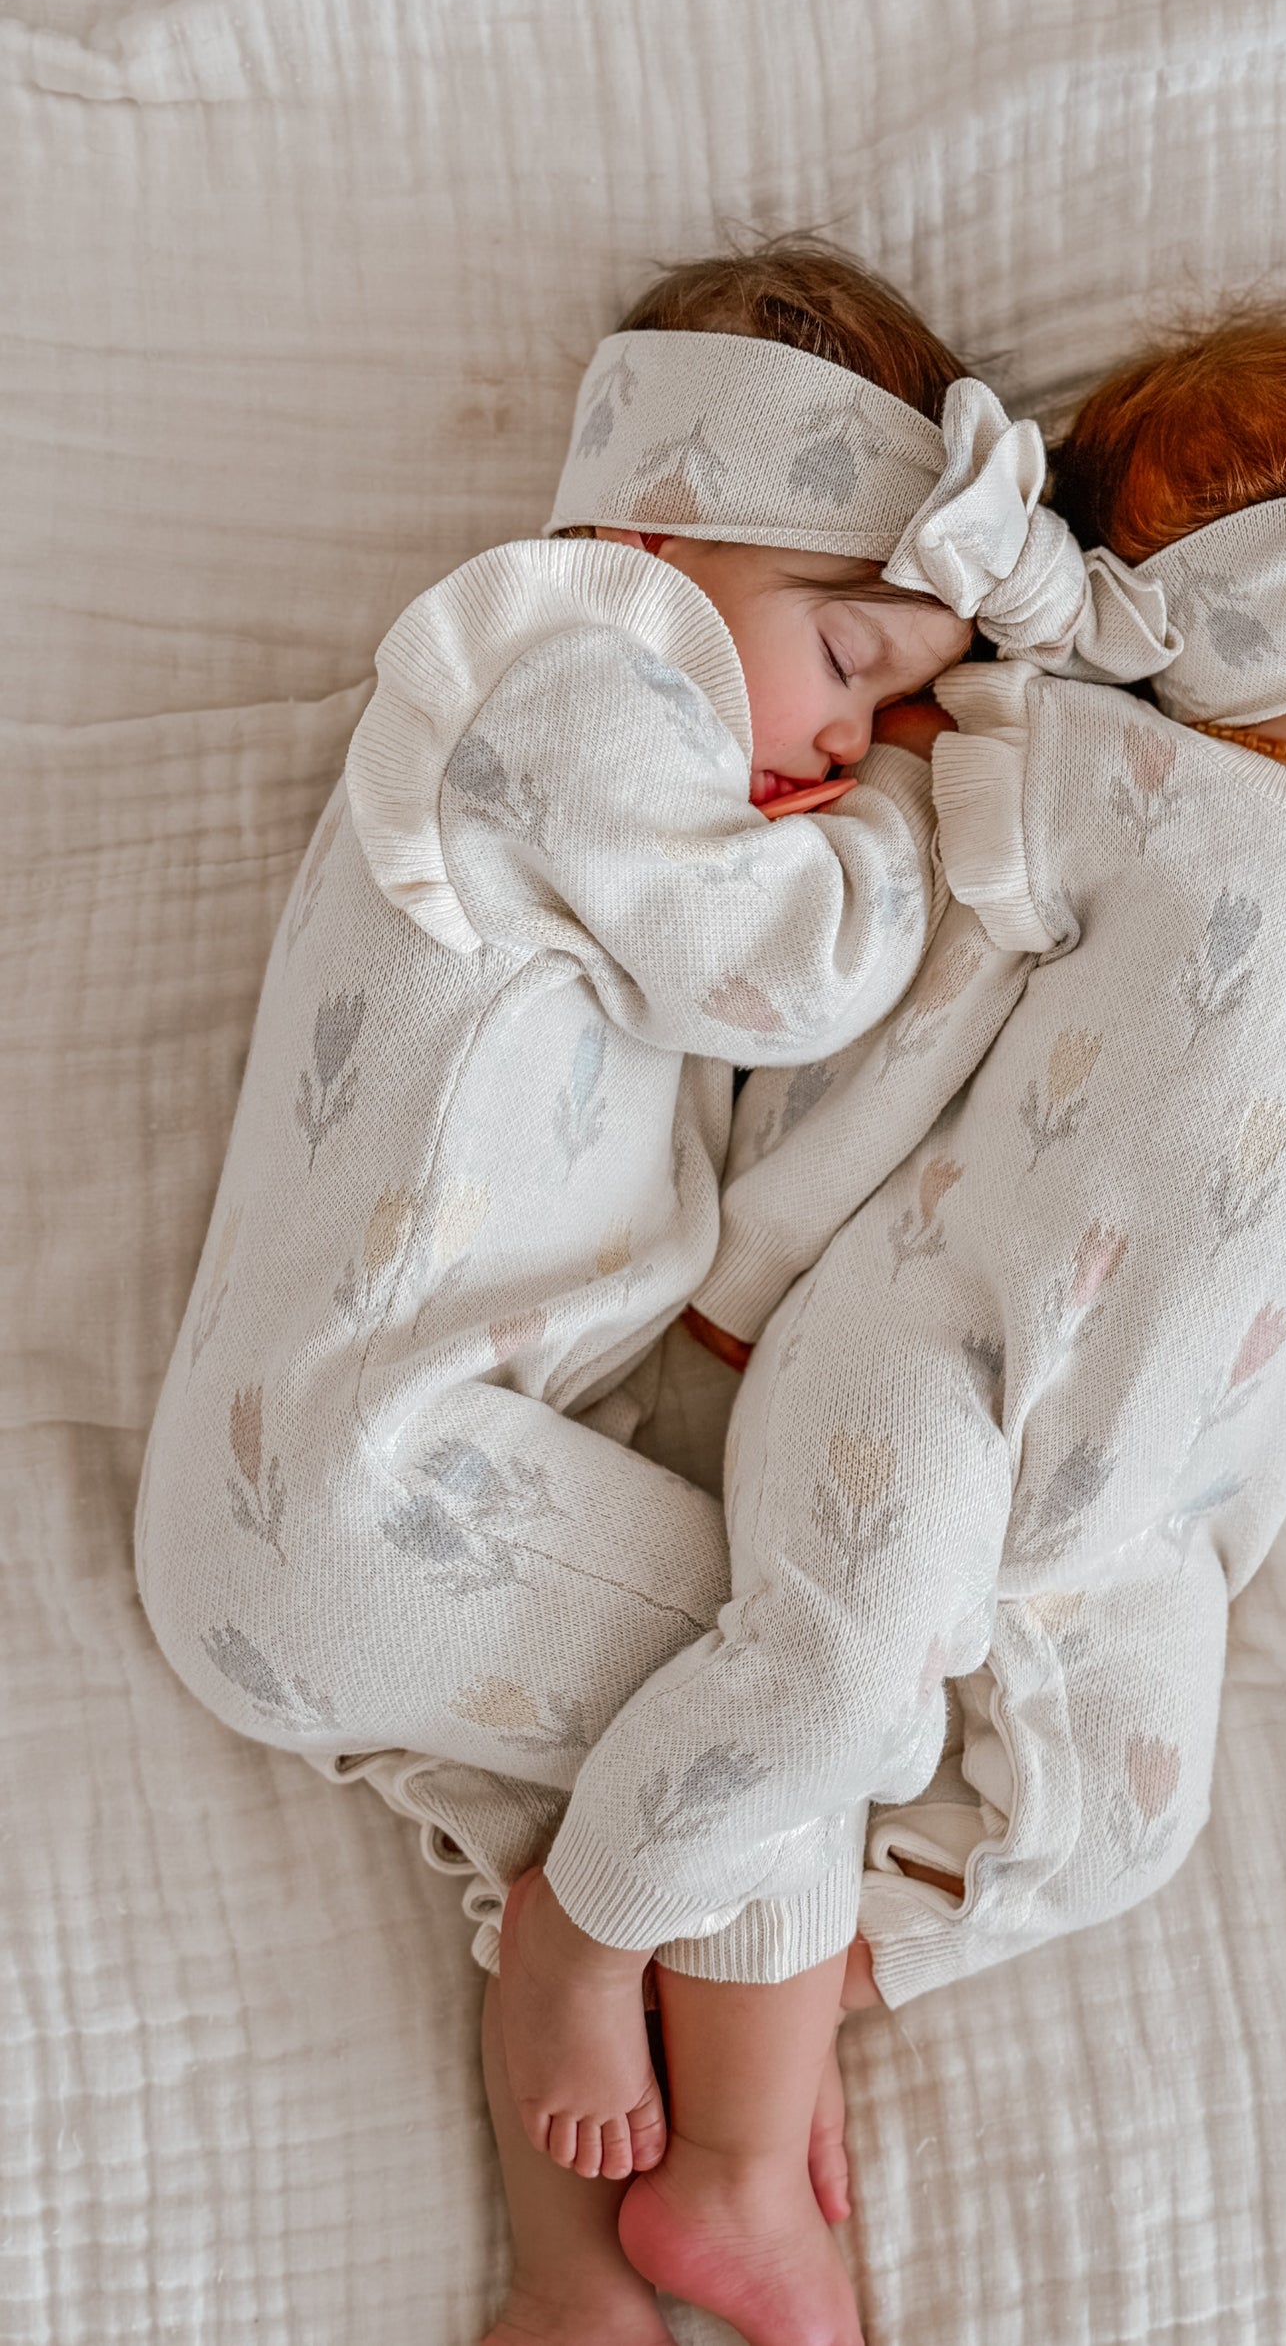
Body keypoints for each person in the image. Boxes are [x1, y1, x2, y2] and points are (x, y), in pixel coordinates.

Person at [508, 277, 1286, 2346]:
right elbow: (898, 1013)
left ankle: (789, 2009)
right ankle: (587, 1939)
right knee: (835, 1686)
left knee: (1131, 1827)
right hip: (934, 1359)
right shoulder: (1116, 779)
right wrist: (757, 1259)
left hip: (1160, 1515)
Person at [135, 239, 1163, 2346]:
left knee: (633, 1774)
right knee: (804, 1656)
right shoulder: (567, 676)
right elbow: (779, 969)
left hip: (365, 1507)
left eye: (879, 705)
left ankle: (572, 2279)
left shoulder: (617, 737)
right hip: (360, 1485)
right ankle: (739, 2180)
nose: (847, 732)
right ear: (656, 534)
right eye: (845, 656)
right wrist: (918, 806)